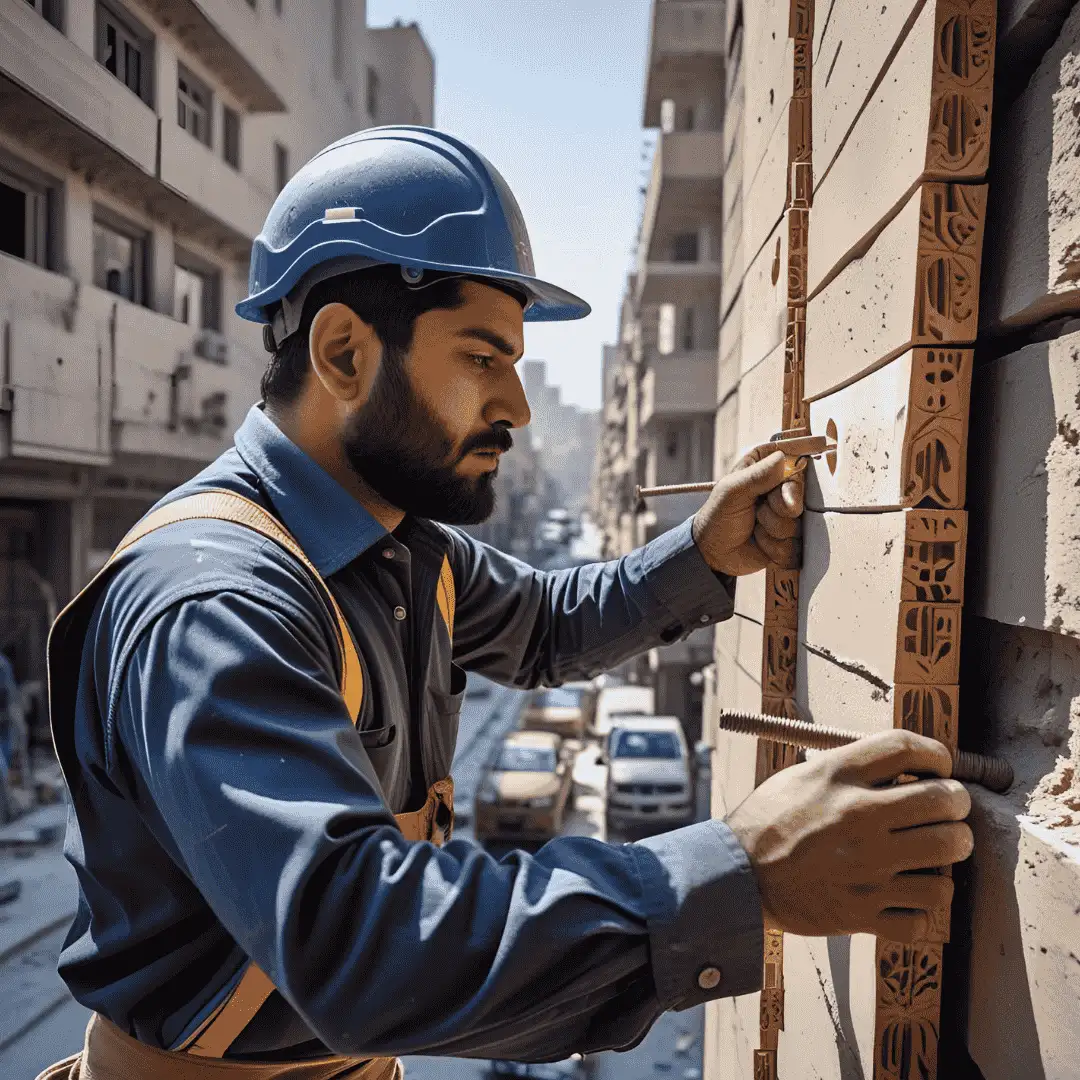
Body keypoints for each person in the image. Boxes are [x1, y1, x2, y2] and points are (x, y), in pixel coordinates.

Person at [40, 128, 973, 1080]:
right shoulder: (215, 600)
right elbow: (358, 943)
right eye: (483, 358)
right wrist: (744, 873)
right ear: (344, 353)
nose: (518, 409)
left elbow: (548, 626)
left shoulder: (403, 550)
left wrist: (702, 551)